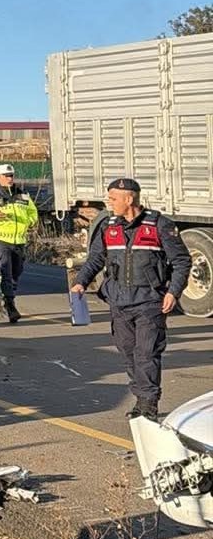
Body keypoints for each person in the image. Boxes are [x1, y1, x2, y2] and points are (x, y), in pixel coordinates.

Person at [70, 178, 191, 420]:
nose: (109, 202)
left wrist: (173, 292)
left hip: (150, 301)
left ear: (129, 199)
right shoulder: (108, 226)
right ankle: (141, 396)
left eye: (113, 198)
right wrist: (80, 281)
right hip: (119, 301)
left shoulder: (159, 225)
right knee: (127, 351)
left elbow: (181, 261)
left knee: (146, 353)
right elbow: (95, 259)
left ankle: (147, 405)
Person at [0, 164, 39, 323]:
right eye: (6, 176)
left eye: (11, 175)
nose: (9, 178)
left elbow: (33, 213)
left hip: (19, 240)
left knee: (16, 271)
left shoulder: (22, 195)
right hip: (1, 239)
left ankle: (6, 300)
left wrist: (29, 222)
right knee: (4, 271)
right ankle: (9, 304)